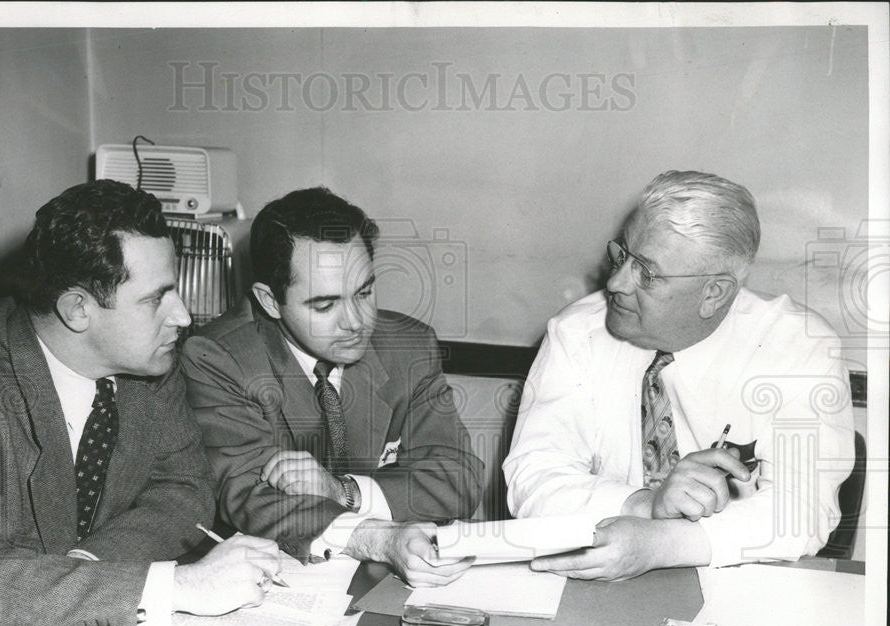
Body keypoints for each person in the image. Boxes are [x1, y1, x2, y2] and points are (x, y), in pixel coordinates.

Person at [0, 180, 280, 626]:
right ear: (77, 310)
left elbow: (185, 489)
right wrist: (176, 586)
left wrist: (87, 569)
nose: (183, 317)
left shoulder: (149, 366)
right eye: (155, 299)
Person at [503, 170, 855, 580]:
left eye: (646, 273)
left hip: (739, 586)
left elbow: (802, 511)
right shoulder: (578, 331)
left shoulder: (796, 346)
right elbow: (533, 479)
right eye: (622, 256)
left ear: (714, 293)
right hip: (599, 581)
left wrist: (661, 544)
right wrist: (646, 505)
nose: (616, 283)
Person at [181, 187, 483, 586]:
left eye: (365, 292)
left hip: (386, 581)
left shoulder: (410, 346)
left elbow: (458, 478)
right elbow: (252, 497)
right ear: (270, 302)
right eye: (324, 306)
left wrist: (344, 491)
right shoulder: (218, 357)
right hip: (271, 578)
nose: (356, 322)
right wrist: (378, 538)